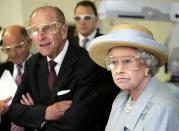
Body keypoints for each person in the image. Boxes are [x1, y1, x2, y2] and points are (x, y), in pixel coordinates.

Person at [8, 6, 118, 131]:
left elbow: (74, 125)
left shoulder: (89, 65)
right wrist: (46, 112)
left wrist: (37, 121)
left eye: (48, 28)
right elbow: (14, 111)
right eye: (35, 30)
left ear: (64, 31)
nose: (40, 36)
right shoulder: (32, 64)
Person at [88, 23, 179, 131]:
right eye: (114, 62)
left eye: (127, 61)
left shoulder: (162, 108)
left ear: (147, 65)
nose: (118, 70)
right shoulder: (120, 99)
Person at [0, 25, 32, 131]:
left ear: (29, 43)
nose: (13, 54)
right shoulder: (1, 71)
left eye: (18, 47)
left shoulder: (45, 68)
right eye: (8, 49)